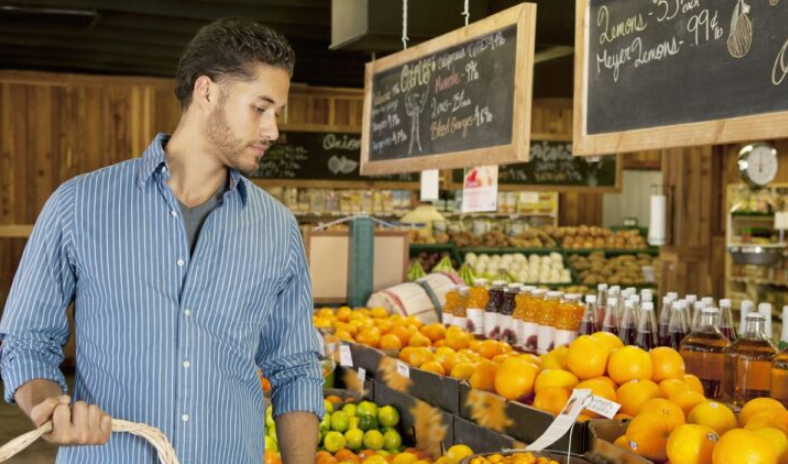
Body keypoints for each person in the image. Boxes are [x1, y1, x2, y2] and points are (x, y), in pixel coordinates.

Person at [0, 18, 323, 464]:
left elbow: (296, 369)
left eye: (277, 114)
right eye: (260, 108)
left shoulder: (279, 230)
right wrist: (48, 406)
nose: (272, 131)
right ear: (207, 92)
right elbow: (26, 341)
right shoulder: (79, 206)